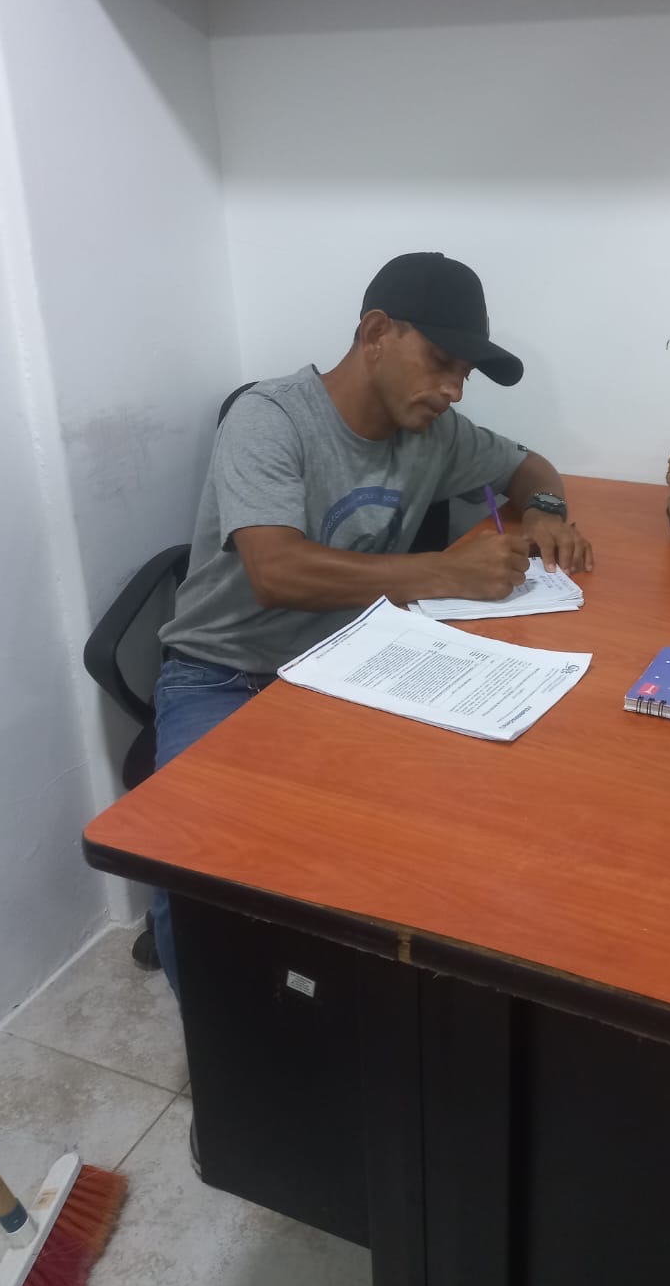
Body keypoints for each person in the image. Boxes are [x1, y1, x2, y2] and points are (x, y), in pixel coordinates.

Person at [151, 252, 593, 998]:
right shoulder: (270, 418)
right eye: (441, 363)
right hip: (222, 674)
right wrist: (444, 573)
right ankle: (220, 1040)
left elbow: (530, 468)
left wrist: (546, 512)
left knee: (465, 825)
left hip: (347, 666)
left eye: (465, 375)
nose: (453, 391)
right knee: (191, 862)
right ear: (376, 333)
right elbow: (276, 572)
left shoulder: (434, 433)